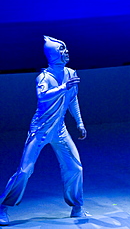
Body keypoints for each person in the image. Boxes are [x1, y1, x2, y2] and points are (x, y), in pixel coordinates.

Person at [0, 36, 87, 226]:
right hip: (40, 130)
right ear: (54, 54)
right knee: (24, 170)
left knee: (75, 167)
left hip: (60, 129)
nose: (66, 52)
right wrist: (64, 87)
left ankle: (77, 206)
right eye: (62, 50)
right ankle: (3, 206)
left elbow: (73, 100)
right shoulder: (43, 78)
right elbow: (42, 97)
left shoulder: (71, 74)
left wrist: (79, 123)